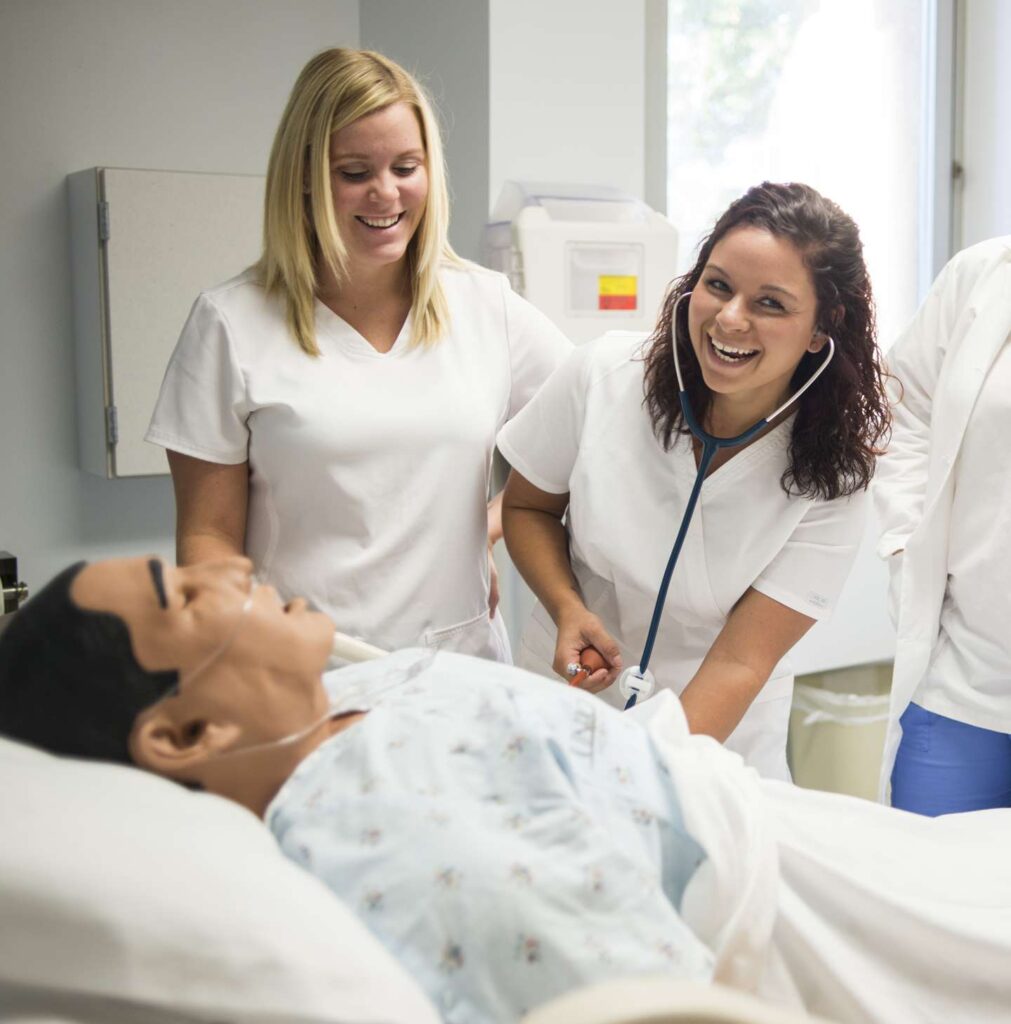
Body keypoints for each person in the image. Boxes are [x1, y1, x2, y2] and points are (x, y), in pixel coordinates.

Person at [1, 557, 1009, 1024]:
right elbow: (637, 998)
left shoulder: (340, 692)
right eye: (184, 595)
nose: (222, 567)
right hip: (816, 910)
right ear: (186, 732)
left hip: (791, 825)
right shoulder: (395, 831)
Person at [145, 48, 571, 661]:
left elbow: (589, 421)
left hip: (458, 668)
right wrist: (237, 649)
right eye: (353, 172)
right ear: (304, 177)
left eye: (406, 166)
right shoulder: (231, 324)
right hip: (302, 672)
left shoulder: (486, 307)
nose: (385, 193)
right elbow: (208, 534)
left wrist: (491, 527)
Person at [497, 182, 890, 779]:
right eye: (718, 285)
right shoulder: (604, 375)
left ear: (820, 330)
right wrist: (566, 607)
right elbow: (527, 509)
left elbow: (740, 661)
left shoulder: (833, 475)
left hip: (713, 747)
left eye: (771, 304)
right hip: (562, 708)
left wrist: (637, 778)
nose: (730, 319)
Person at [873, 236, 1011, 814]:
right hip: (967, 674)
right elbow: (906, 405)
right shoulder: (984, 274)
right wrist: (908, 541)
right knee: (923, 884)